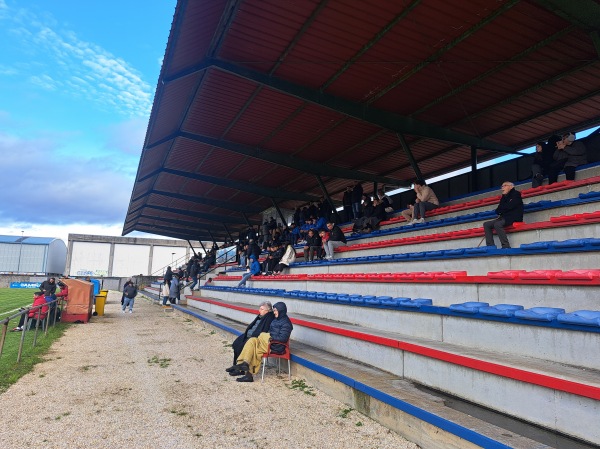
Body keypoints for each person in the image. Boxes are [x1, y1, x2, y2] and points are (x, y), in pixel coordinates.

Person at [233, 302, 293, 383]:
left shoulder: (286, 323)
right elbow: (270, 331)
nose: (274, 312)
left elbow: (283, 338)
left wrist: (269, 336)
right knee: (252, 340)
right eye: (274, 310)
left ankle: (248, 375)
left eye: (275, 311)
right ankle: (244, 363)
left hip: (276, 346)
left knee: (255, 349)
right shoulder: (276, 320)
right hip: (268, 343)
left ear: (281, 311)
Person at [226, 301, 275, 376]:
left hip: (256, 338)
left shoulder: (269, 318)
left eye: (261, 309)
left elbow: (264, 331)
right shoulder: (260, 316)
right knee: (237, 343)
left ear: (267, 311)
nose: (259, 310)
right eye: (260, 308)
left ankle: (240, 369)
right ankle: (236, 365)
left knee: (242, 346)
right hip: (249, 335)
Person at [483, 181, 524, 249]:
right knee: (486, 224)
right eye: (502, 186)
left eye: (504, 186)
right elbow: (498, 209)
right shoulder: (504, 197)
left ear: (511, 187)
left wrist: (503, 208)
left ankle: (505, 245)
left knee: (497, 224)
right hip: (504, 217)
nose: (502, 188)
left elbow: (510, 206)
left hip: (514, 217)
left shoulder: (516, 194)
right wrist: (503, 208)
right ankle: (490, 246)